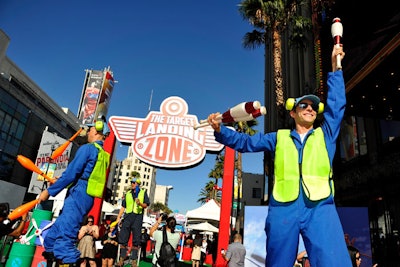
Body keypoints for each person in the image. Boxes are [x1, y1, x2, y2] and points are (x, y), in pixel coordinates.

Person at [207, 45, 350, 267]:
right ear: (293, 112)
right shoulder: (278, 137)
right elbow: (246, 142)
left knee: (334, 261)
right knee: (278, 263)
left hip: (321, 207)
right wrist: (220, 130)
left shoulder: (326, 135)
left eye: (313, 106)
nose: (310, 109)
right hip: (284, 208)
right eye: (304, 105)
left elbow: (337, 105)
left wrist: (335, 68)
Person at [38, 119, 110, 266]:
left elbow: (71, 173)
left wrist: (49, 191)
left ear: (96, 131)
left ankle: (70, 261)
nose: (88, 132)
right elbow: (83, 175)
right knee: (53, 236)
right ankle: (53, 255)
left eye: (90, 129)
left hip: (79, 193)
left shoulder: (88, 148)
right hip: (86, 194)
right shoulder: (103, 154)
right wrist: (64, 181)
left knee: (65, 239)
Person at [116, 177, 150, 267]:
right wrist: (118, 217)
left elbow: (146, 205)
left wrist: (140, 204)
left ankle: (134, 260)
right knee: (123, 238)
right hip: (127, 216)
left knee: (136, 239)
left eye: (134, 183)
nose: (132, 184)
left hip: (137, 217)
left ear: (138, 184)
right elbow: (123, 206)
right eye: (131, 182)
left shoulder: (143, 192)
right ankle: (122, 258)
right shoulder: (127, 193)